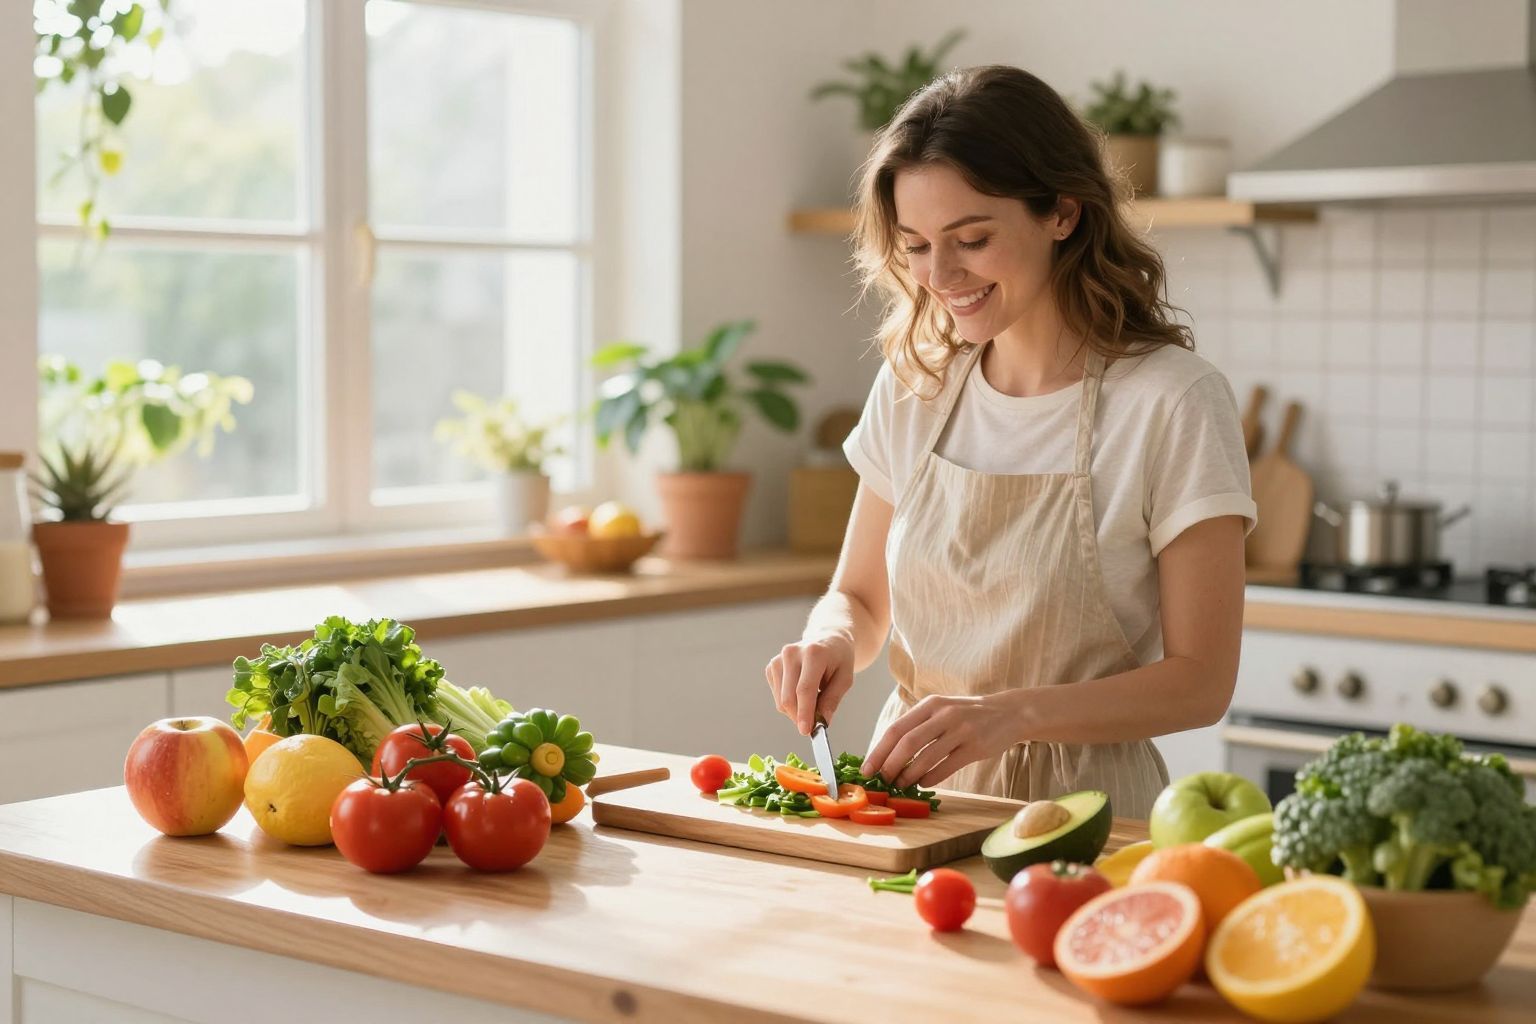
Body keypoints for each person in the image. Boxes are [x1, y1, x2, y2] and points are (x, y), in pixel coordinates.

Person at [764, 65, 1256, 819]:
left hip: (1087, 819)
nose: (940, 275)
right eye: (916, 245)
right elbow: (859, 599)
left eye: (972, 239)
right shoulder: (916, 385)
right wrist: (829, 641)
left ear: (1063, 213)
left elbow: (1202, 682)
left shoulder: (1172, 401)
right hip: (914, 803)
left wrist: (1013, 714)